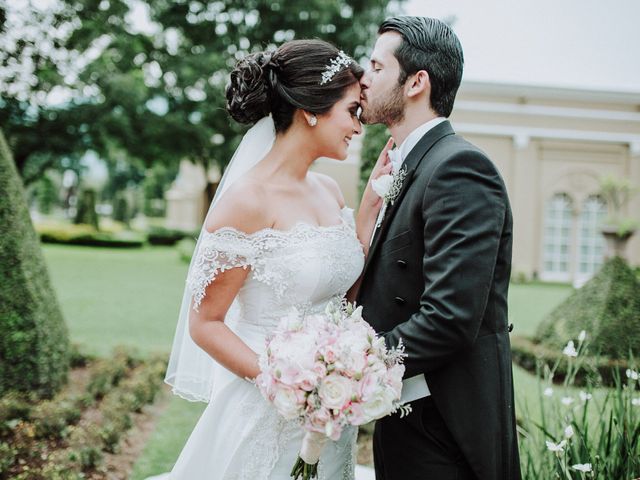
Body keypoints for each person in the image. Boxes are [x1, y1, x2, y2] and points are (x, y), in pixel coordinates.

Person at [160, 39, 390, 480]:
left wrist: (365, 215)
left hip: (329, 414)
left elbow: (341, 294)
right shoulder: (245, 201)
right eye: (351, 111)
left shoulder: (329, 192)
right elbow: (205, 323)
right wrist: (288, 384)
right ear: (311, 110)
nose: (359, 127)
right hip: (263, 409)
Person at [355, 16, 522, 480]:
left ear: (416, 82)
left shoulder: (460, 168)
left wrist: (349, 364)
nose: (362, 79)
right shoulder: (410, 165)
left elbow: (450, 318)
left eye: (375, 66)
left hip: (446, 427)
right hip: (404, 411)